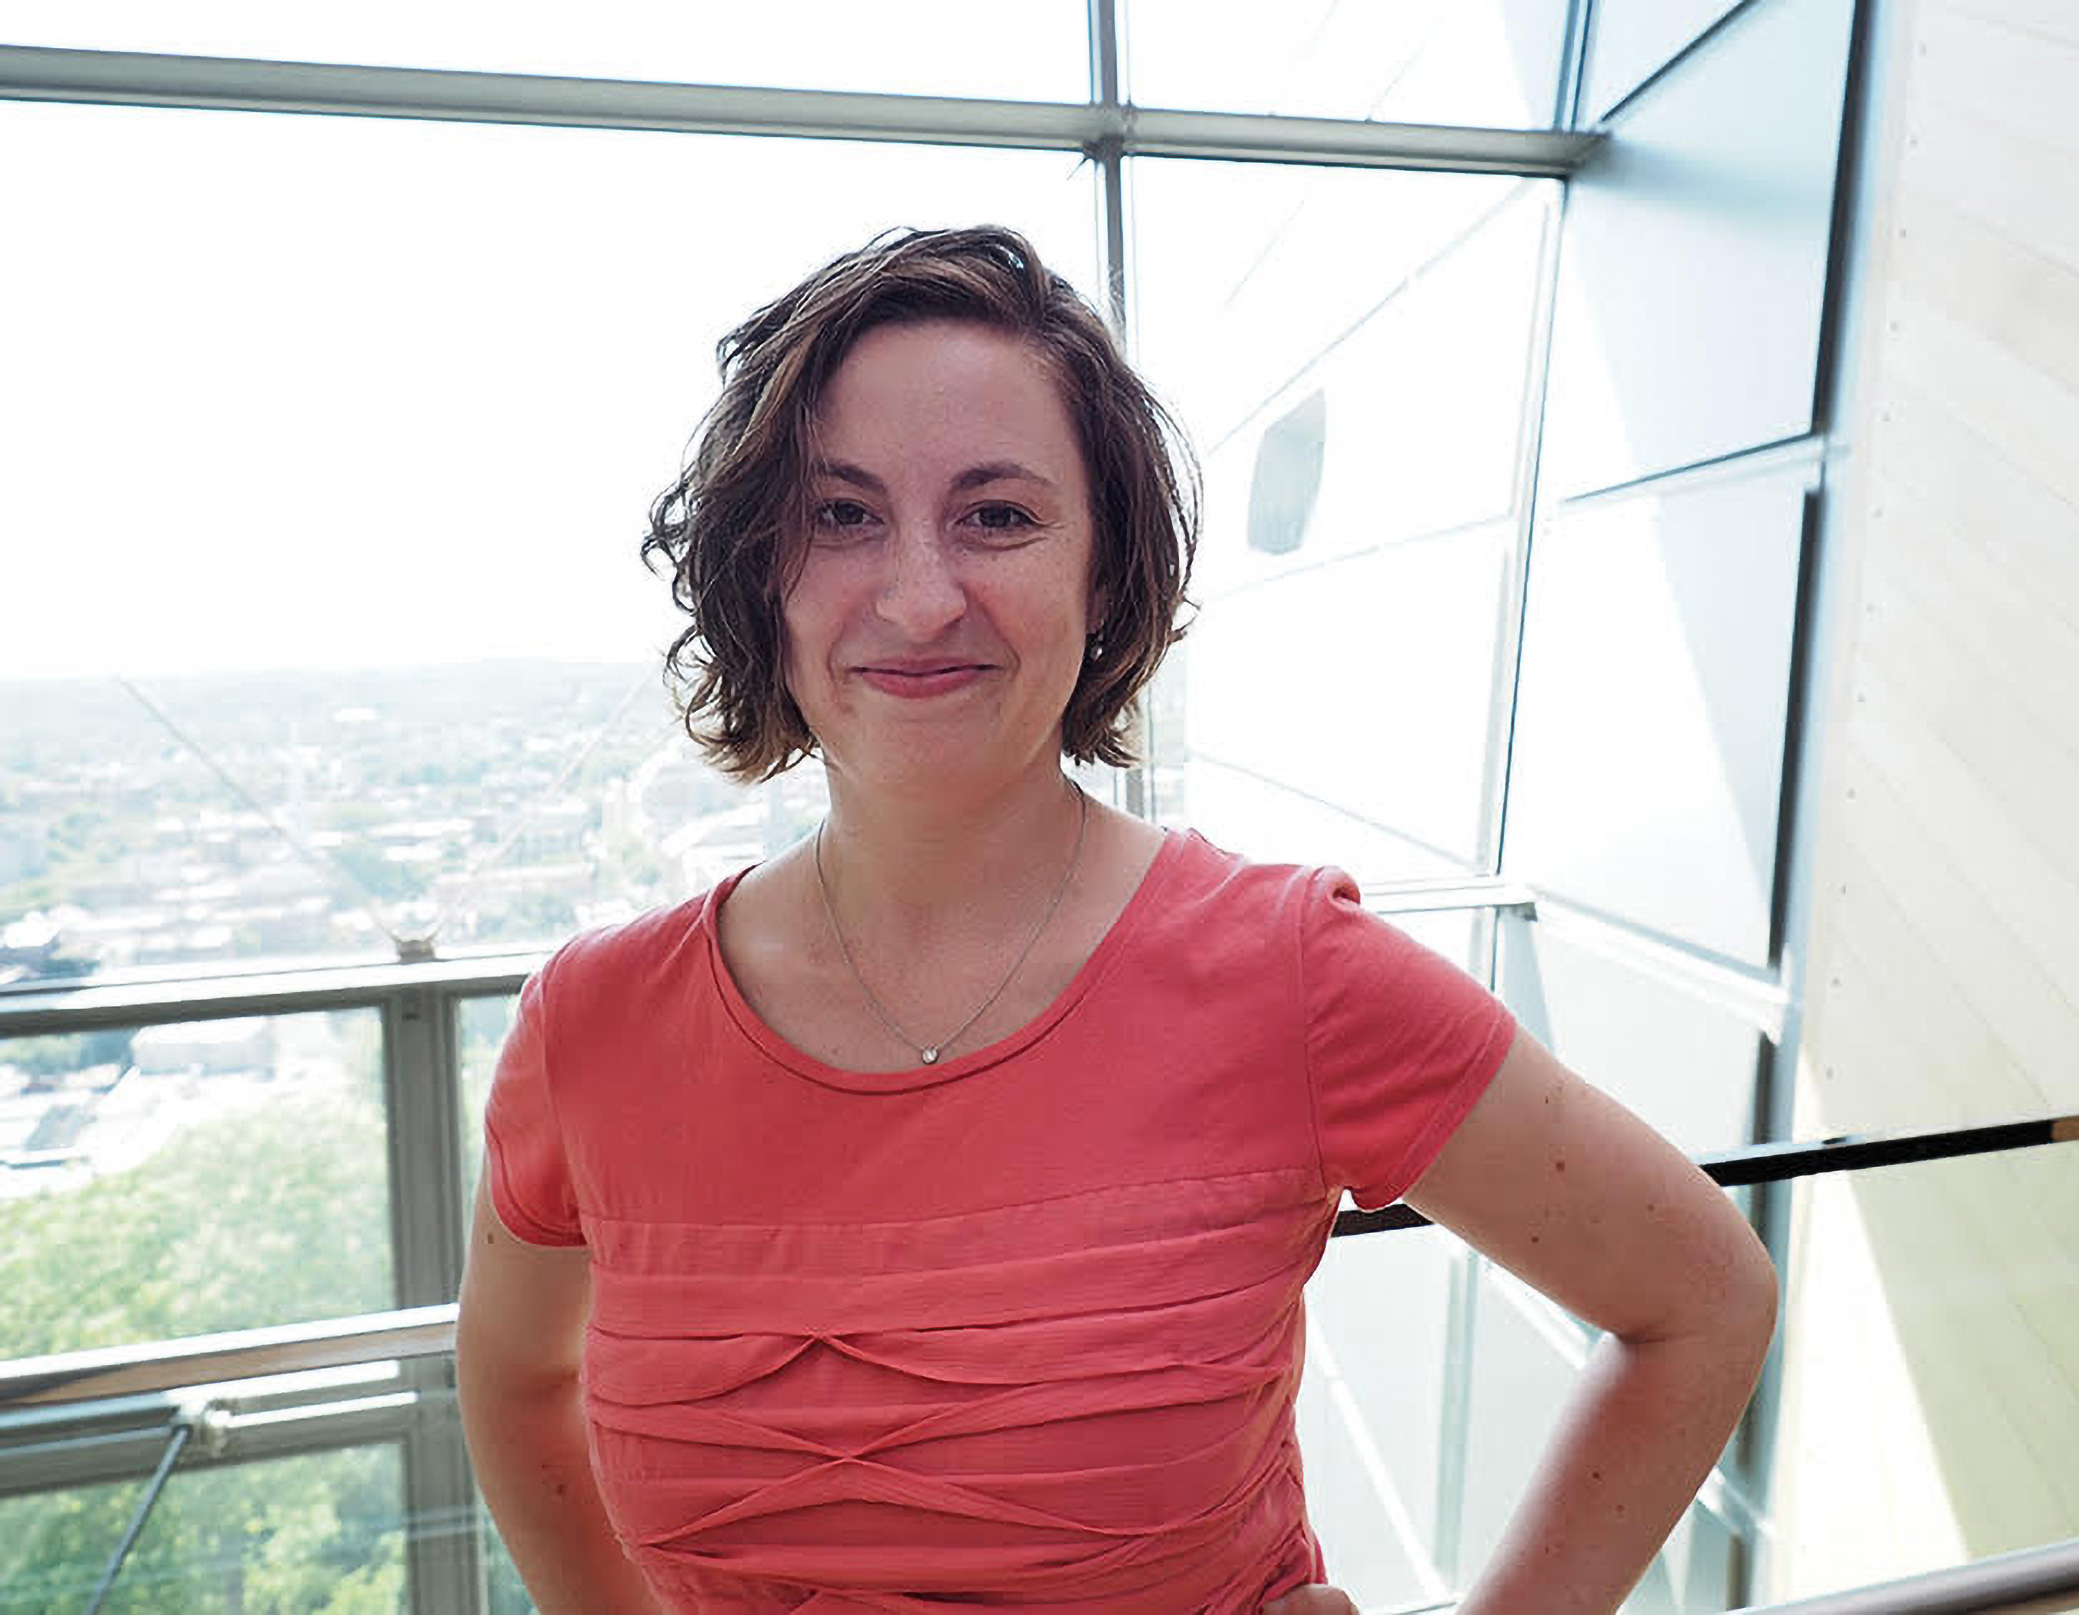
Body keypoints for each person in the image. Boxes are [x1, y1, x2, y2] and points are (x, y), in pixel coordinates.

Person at [456, 225, 1777, 1614]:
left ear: (1104, 579)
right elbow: (510, 1376)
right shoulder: (595, 1027)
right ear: (757, 577)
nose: (915, 594)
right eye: (840, 515)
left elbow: (1698, 1301)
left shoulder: (1287, 977)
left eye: (998, 515)